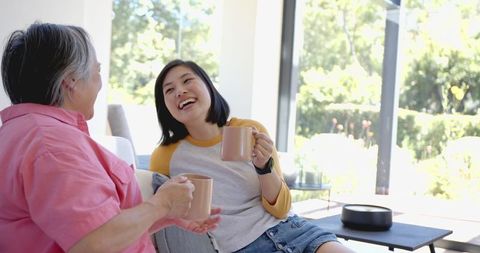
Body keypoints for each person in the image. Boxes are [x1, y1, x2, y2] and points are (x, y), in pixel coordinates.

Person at [0, 23, 220, 253]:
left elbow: (92, 227)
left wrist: (166, 214)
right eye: (98, 70)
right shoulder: (53, 146)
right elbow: (94, 243)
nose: (99, 83)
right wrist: (161, 204)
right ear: (71, 81)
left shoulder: (23, 133)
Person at [149, 59, 355, 253]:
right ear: (165, 106)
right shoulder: (166, 155)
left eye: (187, 80)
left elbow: (282, 209)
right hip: (244, 247)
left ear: (208, 86)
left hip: (295, 230)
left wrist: (264, 167)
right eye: (170, 90)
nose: (180, 91)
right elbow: (160, 215)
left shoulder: (250, 130)